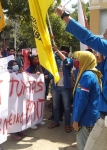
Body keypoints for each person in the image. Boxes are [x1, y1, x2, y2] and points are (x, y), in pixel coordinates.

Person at [55, 6, 107, 150]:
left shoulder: (88, 75)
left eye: (105, 35)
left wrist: (65, 16)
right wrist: (101, 62)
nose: (103, 37)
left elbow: (88, 37)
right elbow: (68, 61)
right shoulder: (90, 71)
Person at [72, 51, 101, 150]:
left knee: (83, 146)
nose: (75, 61)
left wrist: (76, 120)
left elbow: (82, 101)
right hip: (90, 117)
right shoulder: (91, 73)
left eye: (77, 59)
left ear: (85, 60)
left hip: (84, 119)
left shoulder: (87, 75)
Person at [48, 45, 73, 133]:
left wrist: (57, 51)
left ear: (67, 53)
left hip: (65, 87)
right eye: (60, 52)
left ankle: (67, 124)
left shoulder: (69, 61)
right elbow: (52, 70)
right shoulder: (56, 61)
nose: (61, 54)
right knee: (55, 106)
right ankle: (56, 121)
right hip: (55, 87)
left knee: (67, 107)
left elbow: (67, 61)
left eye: (63, 53)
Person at [7, 60, 27, 140]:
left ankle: (20, 129)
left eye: (16, 64)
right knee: (13, 114)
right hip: (12, 99)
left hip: (20, 97)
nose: (15, 66)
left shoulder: (20, 74)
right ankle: (13, 132)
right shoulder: (8, 74)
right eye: (13, 65)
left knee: (20, 113)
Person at [26, 55, 45, 129]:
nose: (36, 60)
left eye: (37, 59)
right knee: (32, 106)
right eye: (34, 59)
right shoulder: (29, 68)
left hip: (39, 92)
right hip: (32, 91)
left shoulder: (39, 67)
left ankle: (39, 120)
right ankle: (31, 122)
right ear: (31, 60)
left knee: (39, 105)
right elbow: (26, 76)